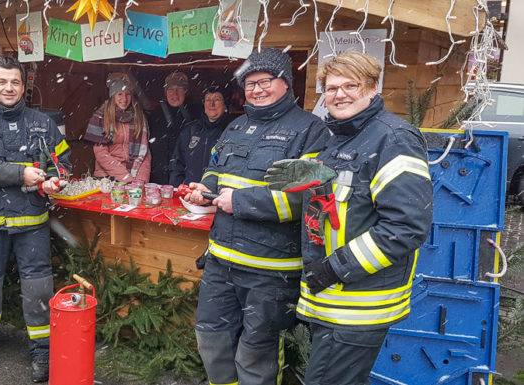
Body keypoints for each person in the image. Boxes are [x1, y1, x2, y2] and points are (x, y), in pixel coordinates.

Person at [265, 51, 433, 385]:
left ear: (372, 88)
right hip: (330, 302)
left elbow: (406, 227)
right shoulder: (337, 138)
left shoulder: (393, 138)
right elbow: (327, 205)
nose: (338, 94)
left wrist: (335, 267)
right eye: (330, 88)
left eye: (350, 85)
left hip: (357, 307)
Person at [182, 47, 329, 385]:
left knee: (256, 353)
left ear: (286, 83)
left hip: (269, 270)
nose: (257, 89)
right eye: (250, 83)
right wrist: (203, 192)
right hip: (220, 261)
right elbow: (214, 169)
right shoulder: (235, 127)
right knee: (210, 339)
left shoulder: (310, 132)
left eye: (265, 81)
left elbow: (305, 200)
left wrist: (242, 202)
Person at [0, 56, 70, 383]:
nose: (9, 88)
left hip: (31, 222)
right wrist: (22, 173)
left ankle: (42, 350)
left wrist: (53, 180)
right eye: (2, 82)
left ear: (24, 86)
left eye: (15, 82)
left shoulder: (42, 123)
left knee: (38, 287)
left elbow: (61, 161)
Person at [84, 73, 151, 183]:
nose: (124, 99)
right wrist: (126, 178)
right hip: (106, 178)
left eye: (128, 94)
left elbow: (144, 153)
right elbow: (101, 154)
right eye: (119, 94)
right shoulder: (101, 117)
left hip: (134, 176)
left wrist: (140, 181)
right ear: (113, 95)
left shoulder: (138, 116)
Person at [169, 85, 231, 186]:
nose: (212, 104)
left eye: (217, 99)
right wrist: (178, 189)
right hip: (189, 194)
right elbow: (176, 165)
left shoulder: (232, 132)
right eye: (208, 100)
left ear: (225, 105)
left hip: (217, 196)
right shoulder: (190, 130)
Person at [148, 72, 199, 184]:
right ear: (165, 92)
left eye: (179, 89)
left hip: (186, 173)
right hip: (159, 174)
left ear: (186, 91)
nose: (174, 94)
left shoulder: (196, 113)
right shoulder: (155, 114)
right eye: (170, 89)